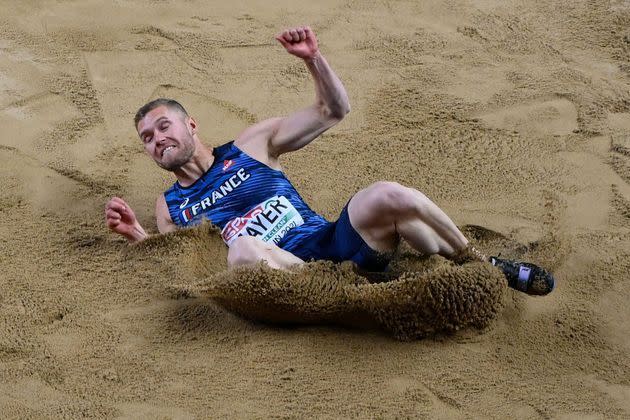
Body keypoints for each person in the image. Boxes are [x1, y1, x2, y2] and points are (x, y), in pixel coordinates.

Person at [105, 26, 554, 296]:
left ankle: (480, 263)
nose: (157, 139)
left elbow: (334, 111)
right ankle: (345, 295)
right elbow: (184, 264)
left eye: (164, 127)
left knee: (387, 193)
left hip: (331, 245)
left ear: (191, 126)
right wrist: (138, 236)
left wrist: (314, 60)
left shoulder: (250, 146)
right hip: (294, 280)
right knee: (241, 248)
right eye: (147, 138)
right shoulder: (171, 207)